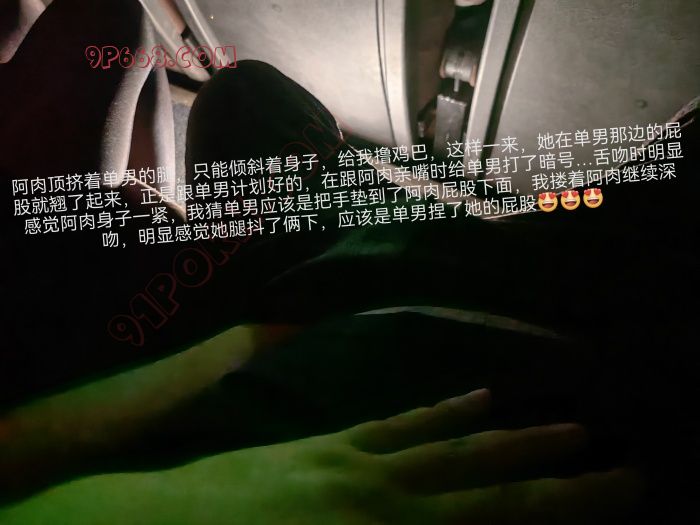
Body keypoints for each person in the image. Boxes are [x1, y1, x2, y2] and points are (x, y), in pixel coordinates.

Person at [1, 0, 697, 523]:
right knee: (197, 85)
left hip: (290, 327)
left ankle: (155, 225)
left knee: (217, 95)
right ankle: (156, 223)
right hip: (356, 318)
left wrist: (242, 343)